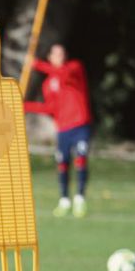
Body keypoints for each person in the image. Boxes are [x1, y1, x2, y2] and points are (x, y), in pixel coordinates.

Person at [24, 44, 93, 218]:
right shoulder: (48, 84)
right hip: (63, 128)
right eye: (55, 54)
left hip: (80, 124)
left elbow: (63, 74)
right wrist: (25, 106)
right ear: (50, 57)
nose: (59, 56)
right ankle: (64, 200)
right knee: (62, 164)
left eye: (61, 53)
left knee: (81, 159)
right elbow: (50, 108)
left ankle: (80, 199)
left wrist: (36, 64)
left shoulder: (74, 68)